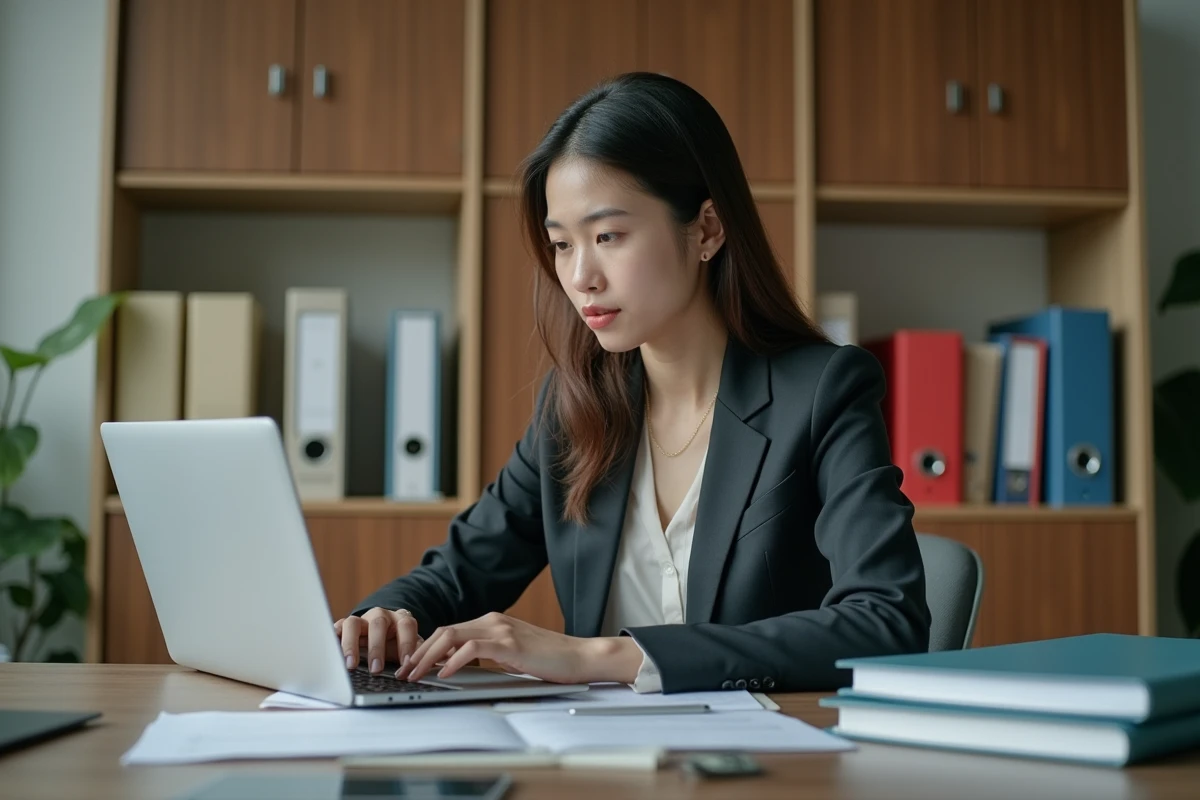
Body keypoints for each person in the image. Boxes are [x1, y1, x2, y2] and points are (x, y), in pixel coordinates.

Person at [335, 72, 931, 695]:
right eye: (561, 244)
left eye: (608, 236)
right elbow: (457, 575)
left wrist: (601, 657)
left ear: (706, 229)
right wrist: (377, 621)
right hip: (599, 762)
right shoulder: (573, 409)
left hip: (766, 764)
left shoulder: (821, 391)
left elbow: (888, 623)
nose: (581, 276)